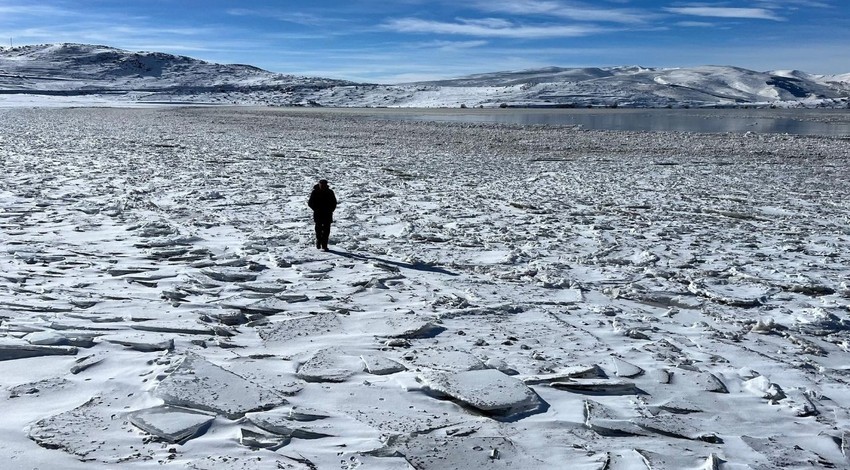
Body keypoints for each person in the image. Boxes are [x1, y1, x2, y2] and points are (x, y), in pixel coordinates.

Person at [307, 179, 337, 251]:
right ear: (319, 184)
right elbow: (310, 203)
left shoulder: (330, 192)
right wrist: (316, 209)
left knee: (326, 230)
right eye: (321, 185)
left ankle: (324, 245)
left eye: (324, 185)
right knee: (318, 230)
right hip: (318, 214)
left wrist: (331, 210)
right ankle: (319, 241)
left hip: (327, 214)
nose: (322, 186)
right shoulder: (315, 192)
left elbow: (334, 202)